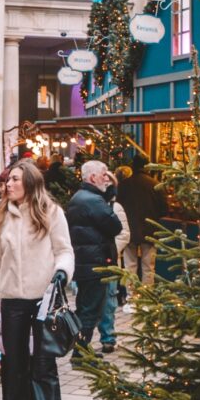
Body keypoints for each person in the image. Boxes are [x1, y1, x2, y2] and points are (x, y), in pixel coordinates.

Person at [0, 159, 74, 400]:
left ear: (31, 183)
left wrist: (62, 273)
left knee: (44, 372)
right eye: (8, 180)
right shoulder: (1, 215)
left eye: (15, 180)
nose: (8, 185)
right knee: (14, 370)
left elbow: (64, 251)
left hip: (43, 302)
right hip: (12, 303)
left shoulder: (51, 212)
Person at [66, 160, 123, 359]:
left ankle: (81, 349)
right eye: (104, 174)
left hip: (84, 262)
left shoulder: (79, 198)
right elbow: (115, 226)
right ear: (92, 178)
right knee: (91, 310)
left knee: (84, 307)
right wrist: (110, 201)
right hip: (95, 263)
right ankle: (81, 352)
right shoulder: (93, 201)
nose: (106, 178)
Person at [116, 154, 167, 310]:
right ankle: (146, 298)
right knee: (148, 266)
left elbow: (117, 205)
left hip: (129, 231)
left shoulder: (124, 185)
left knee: (129, 265)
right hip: (149, 230)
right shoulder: (155, 184)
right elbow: (164, 208)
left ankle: (132, 298)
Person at [97, 170, 130, 353]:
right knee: (88, 303)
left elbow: (124, 234)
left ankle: (108, 337)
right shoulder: (89, 204)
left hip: (109, 261)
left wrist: (109, 251)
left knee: (109, 302)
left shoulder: (115, 207)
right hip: (89, 262)